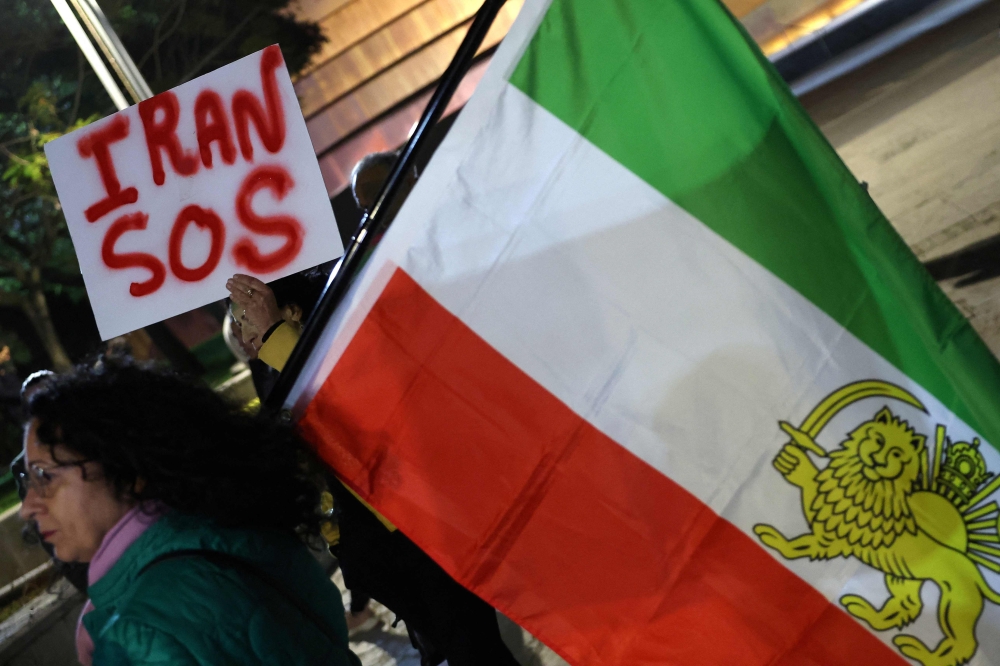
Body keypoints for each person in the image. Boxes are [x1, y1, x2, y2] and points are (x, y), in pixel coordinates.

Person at [223, 152, 521, 666]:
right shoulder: (281, 357)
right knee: (453, 646)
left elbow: (350, 394)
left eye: (249, 317)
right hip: (387, 537)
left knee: (473, 647)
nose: (372, 213)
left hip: (420, 518)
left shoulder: (387, 284)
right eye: (364, 203)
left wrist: (276, 337)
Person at [17, 363, 360, 666]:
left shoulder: (141, 630)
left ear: (126, 468)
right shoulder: (229, 529)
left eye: (46, 476)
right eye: (27, 479)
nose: (27, 506)